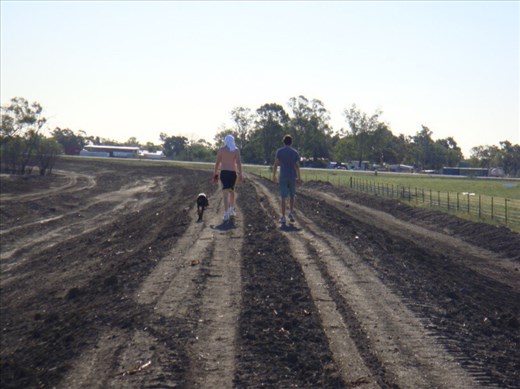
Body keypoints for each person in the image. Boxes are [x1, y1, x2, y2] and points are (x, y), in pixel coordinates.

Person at [272, 134, 302, 224]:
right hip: (292, 176)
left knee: (283, 197)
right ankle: (291, 213)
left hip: (283, 176)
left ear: (283, 142)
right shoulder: (295, 152)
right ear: (291, 142)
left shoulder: (279, 152)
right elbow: (297, 166)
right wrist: (299, 177)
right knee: (292, 195)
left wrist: (274, 175)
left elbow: (276, 164)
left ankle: (283, 216)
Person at [213, 134, 243, 222]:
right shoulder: (236, 150)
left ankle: (226, 213)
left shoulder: (221, 150)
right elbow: (238, 163)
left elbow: (217, 163)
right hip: (232, 173)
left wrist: (215, 173)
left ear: (225, 141)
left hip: (224, 173)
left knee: (225, 193)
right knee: (232, 191)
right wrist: (241, 174)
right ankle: (231, 209)